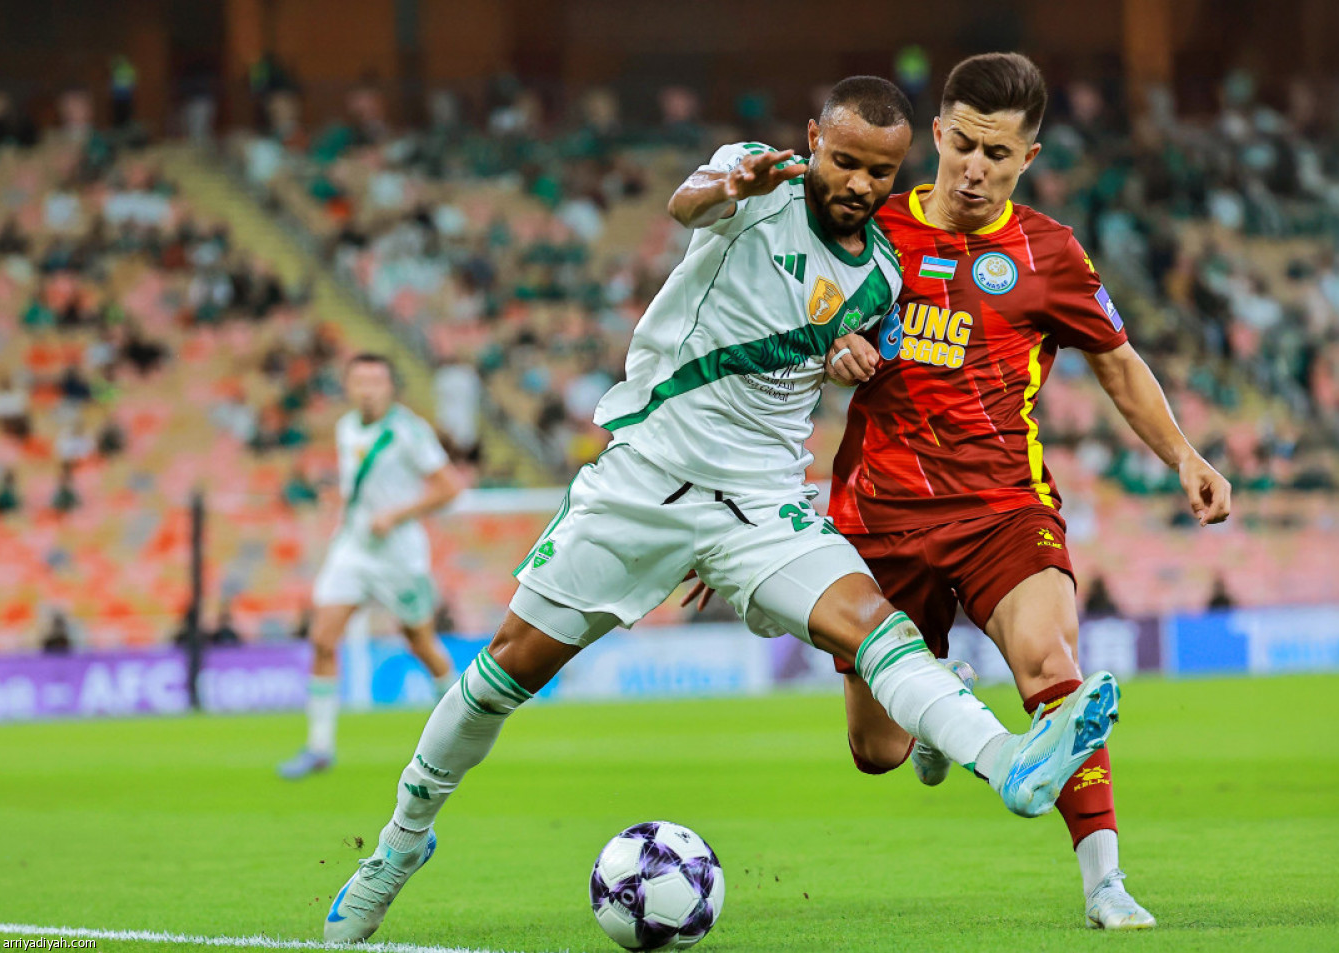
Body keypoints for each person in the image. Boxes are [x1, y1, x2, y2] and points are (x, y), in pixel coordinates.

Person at [321, 76, 1119, 944]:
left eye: (879, 172)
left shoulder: (884, 272)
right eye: (844, 160)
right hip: (645, 482)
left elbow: (844, 344)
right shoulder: (756, 183)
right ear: (813, 139)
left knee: (876, 627)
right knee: (503, 672)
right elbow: (689, 202)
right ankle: (400, 843)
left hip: (759, 505)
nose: (858, 183)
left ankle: (1008, 761)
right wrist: (724, 184)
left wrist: (845, 355)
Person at [821, 53, 1231, 930]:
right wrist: (834, 350)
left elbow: (1118, 362)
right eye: (964, 146)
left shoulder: (1049, 252)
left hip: (1002, 509)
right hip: (878, 520)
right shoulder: (872, 230)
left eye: (998, 155)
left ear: (1028, 158)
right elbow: (797, 329)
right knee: (875, 750)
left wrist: (1184, 456)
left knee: (1052, 668)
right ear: (937, 134)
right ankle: (941, 708)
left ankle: (1105, 883)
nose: (975, 169)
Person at [278, 353, 463, 780]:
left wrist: (395, 514)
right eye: (359, 381)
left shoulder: (408, 431)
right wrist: (343, 502)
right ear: (348, 387)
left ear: (390, 387)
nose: (367, 390)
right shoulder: (346, 427)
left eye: (376, 381)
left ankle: (462, 726)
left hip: (399, 556)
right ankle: (319, 747)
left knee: (420, 643)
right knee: (323, 638)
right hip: (353, 550)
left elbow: (450, 488)